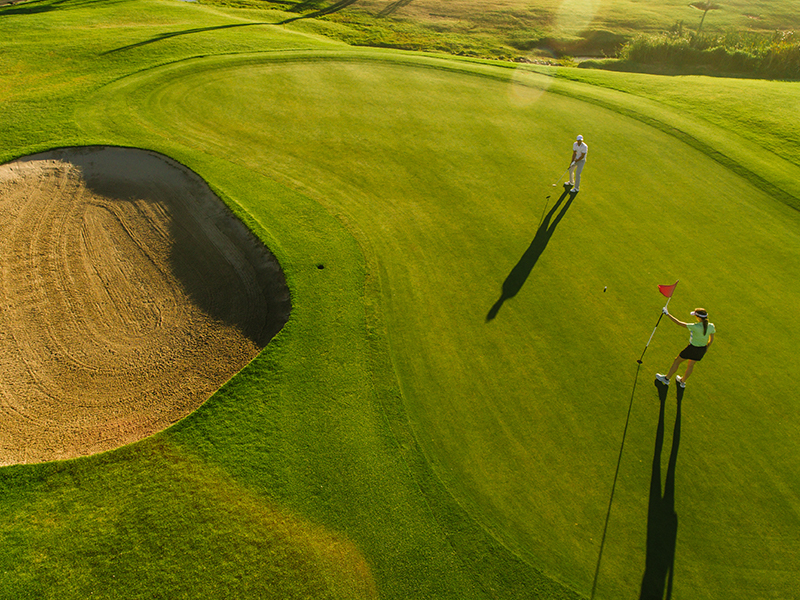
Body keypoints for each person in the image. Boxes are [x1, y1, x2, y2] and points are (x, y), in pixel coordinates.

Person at [656, 308, 715, 388]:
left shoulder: (695, 326)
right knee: (691, 365)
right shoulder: (711, 326)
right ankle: (682, 381)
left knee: (677, 361)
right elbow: (711, 339)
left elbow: (679, 323)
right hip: (701, 350)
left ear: (699, 317)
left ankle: (666, 379)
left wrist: (667, 314)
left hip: (692, 348)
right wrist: (707, 347)